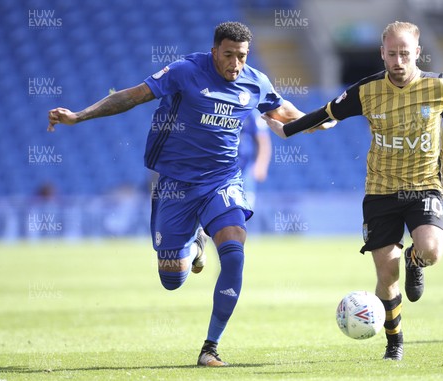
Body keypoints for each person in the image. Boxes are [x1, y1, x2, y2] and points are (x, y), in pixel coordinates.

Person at [262, 21, 443, 361]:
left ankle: (415, 261)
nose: (398, 61)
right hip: (380, 191)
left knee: (431, 250)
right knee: (386, 273)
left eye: (405, 53)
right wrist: (288, 131)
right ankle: (394, 343)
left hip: (424, 187)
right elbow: (327, 114)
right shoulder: (366, 90)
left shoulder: (440, 86)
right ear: (382, 54)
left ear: (417, 52)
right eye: (392, 54)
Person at [47, 21, 321, 367]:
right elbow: (130, 96)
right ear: (214, 51)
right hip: (176, 183)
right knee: (172, 279)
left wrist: (323, 117)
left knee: (235, 253)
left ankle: (210, 347)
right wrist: (78, 116)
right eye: (228, 55)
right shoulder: (184, 71)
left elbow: (287, 114)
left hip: (222, 179)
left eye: (241, 56)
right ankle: (194, 245)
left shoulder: (255, 82)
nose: (235, 64)